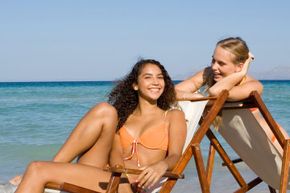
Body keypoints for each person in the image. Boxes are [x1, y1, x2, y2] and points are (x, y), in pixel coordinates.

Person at [13, 59, 187, 193]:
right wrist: (122, 173)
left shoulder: (172, 115)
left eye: (160, 77)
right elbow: (116, 157)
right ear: (135, 85)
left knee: (37, 169)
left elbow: (174, 156)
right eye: (148, 77)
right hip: (115, 177)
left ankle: (44, 170)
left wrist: (161, 166)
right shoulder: (122, 118)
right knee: (105, 110)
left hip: (133, 186)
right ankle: (52, 166)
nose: (156, 82)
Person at [175, 36, 288, 153]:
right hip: (254, 153)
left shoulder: (253, 86)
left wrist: (242, 73)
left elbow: (217, 92)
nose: (214, 67)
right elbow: (171, 92)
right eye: (213, 60)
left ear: (239, 66)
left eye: (221, 63)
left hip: (277, 146)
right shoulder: (209, 73)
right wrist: (196, 97)